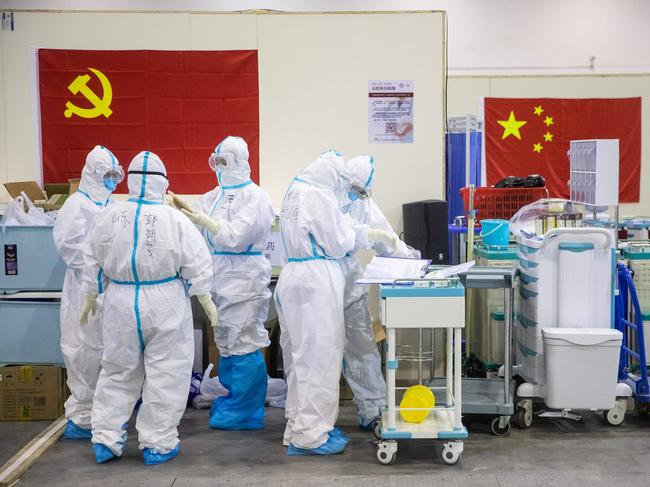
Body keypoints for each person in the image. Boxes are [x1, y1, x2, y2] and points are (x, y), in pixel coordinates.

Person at [80, 151, 216, 466]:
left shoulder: (109, 215)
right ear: (163, 182)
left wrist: (91, 294)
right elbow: (198, 262)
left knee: (116, 370)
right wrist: (205, 298)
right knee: (167, 373)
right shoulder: (175, 220)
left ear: (131, 180)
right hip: (165, 301)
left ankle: (105, 440)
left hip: (120, 301)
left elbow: (91, 258)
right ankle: (158, 443)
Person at [274, 150, 397, 455]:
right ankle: (312, 436)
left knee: (300, 359)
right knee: (320, 358)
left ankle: (298, 426)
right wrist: (369, 235)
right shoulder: (318, 195)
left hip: (295, 278)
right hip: (316, 281)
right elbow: (339, 241)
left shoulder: (297, 189)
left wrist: (383, 238)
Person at [173, 136, 275, 430]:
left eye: (224, 161)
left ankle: (246, 410)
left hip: (244, 276)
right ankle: (234, 398)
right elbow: (195, 231)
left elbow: (234, 237)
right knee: (227, 341)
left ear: (240, 161)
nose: (218, 167)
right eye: (215, 160)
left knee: (244, 341)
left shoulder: (256, 197)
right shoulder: (212, 195)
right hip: (217, 275)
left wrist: (204, 221)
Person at [338, 155, 418, 433]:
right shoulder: (320, 198)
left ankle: (373, 410)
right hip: (318, 288)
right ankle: (310, 421)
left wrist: (409, 260)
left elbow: (384, 236)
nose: (357, 193)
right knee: (315, 356)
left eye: (362, 190)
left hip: (346, 285)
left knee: (361, 348)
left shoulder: (360, 202)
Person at [53, 145, 123, 439]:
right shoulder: (75, 205)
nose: (111, 181)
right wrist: (100, 264)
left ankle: (104, 412)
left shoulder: (107, 204)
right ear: (92, 173)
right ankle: (82, 417)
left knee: (106, 348)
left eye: (114, 175)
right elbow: (69, 247)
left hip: (105, 286)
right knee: (83, 349)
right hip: (84, 287)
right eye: (106, 175)